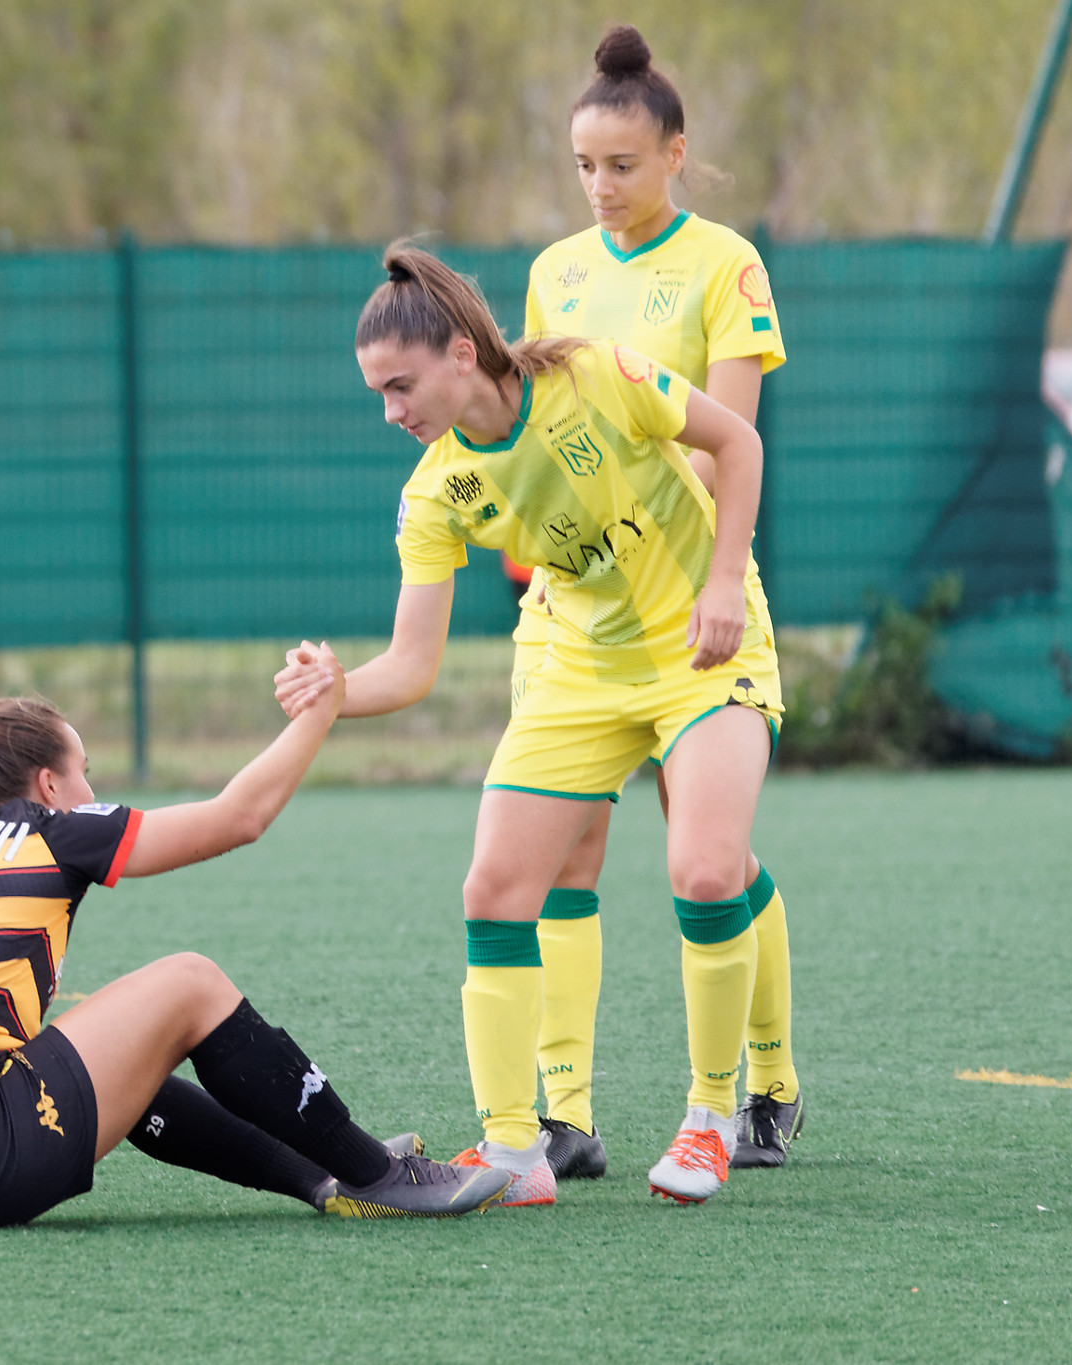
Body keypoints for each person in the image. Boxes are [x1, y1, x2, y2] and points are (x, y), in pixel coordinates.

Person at [276, 239, 780, 1205]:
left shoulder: (596, 374)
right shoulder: (434, 490)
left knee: (708, 870)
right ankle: (514, 1150)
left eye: (399, 386)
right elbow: (411, 665)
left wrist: (725, 582)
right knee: (495, 889)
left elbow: (739, 445)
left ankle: (711, 1116)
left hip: (703, 649)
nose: (391, 412)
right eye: (378, 394)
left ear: (462, 353)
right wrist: (335, 686)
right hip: (583, 673)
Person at [0, 675, 512, 1230]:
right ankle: (380, 1176)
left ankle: (320, 1173)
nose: (91, 786)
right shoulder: (52, 831)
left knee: (125, 1039)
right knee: (189, 983)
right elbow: (240, 817)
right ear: (48, 784)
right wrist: (322, 711)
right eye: (83, 770)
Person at [509, 23, 804, 1179]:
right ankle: (564, 1115)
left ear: (674, 155)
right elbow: (539, 433)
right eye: (583, 164)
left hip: (685, 600)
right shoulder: (553, 273)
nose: (599, 185)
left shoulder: (725, 264)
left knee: (709, 858)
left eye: (621, 164)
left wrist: (680, 556)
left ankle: (763, 1086)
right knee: (560, 856)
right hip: (574, 614)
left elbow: (722, 443)